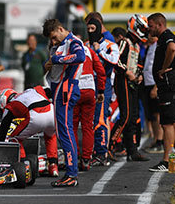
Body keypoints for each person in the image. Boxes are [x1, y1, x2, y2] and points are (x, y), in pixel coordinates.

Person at [43, 18, 85, 187]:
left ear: (61, 29)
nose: (53, 41)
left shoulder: (73, 41)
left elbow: (80, 56)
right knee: (63, 131)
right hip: (59, 88)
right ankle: (70, 171)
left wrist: (56, 60)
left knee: (64, 131)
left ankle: (71, 173)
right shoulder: (60, 45)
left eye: (54, 37)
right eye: (51, 39)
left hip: (66, 87)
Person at [0, 86, 59, 177]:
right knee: (50, 136)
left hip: (35, 116)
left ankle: (24, 164)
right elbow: (51, 90)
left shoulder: (10, 105)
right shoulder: (33, 90)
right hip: (52, 112)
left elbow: (3, 129)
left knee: (14, 139)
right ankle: (53, 165)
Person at [110, 19, 149, 162]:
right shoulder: (124, 42)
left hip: (132, 83)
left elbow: (138, 64)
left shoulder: (137, 46)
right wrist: (127, 72)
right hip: (123, 81)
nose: (144, 33)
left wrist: (139, 75)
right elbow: (115, 60)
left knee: (133, 117)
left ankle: (132, 150)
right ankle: (109, 146)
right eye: (142, 29)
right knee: (125, 116)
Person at [85, 15, 119, 167]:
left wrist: (99, 52)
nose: (90, 32)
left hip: (103, 85)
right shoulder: (85, 44)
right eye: (88, 29)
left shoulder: (110, 45)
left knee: (100, 118)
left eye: (93, 29)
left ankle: (101, 152)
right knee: (88, 120)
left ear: (98, 29)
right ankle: (89, 150)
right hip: (87, 85)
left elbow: (114, 60)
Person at [147, 13, 175, 172]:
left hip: (168, 85)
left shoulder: (167, 36)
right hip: (171, 84)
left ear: (159, 25)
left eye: (151, 25)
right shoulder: (164, 37)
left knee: (167, 124)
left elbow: (172, 48)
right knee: (174, 122)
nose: (148, 28)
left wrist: (164, 67)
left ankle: (167, 161)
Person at [72, 40, 106, 170]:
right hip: (90, 90)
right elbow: (100, 70)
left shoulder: (68, 50)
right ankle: (86, 159)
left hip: (74, 90)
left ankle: (74, 158)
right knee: (87, 126)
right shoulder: (89, 51)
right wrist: (101, 90)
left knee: (72, 126)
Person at [141, 35, 164, 153]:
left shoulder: (158, 47)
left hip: (153, 84)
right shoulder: (150, 47)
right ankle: (156, 139)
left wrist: (156, 86)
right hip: (147, 83)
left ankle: (160, 141)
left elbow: (159, 67)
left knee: (157, 114)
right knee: (152, 115)